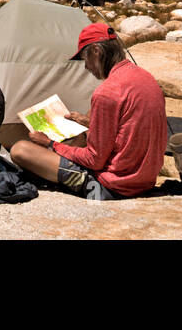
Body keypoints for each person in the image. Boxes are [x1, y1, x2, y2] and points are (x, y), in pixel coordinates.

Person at [9, 22, 167, 199]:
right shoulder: (146, 78)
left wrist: (50, 144)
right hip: (145, 181)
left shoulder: (107, 92)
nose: (86, 67)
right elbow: (128, 128)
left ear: (96, 51)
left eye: (85, 59)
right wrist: (88, 122)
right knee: (80, 137)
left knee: (20, 150)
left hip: (113, 186)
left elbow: (94, 160)